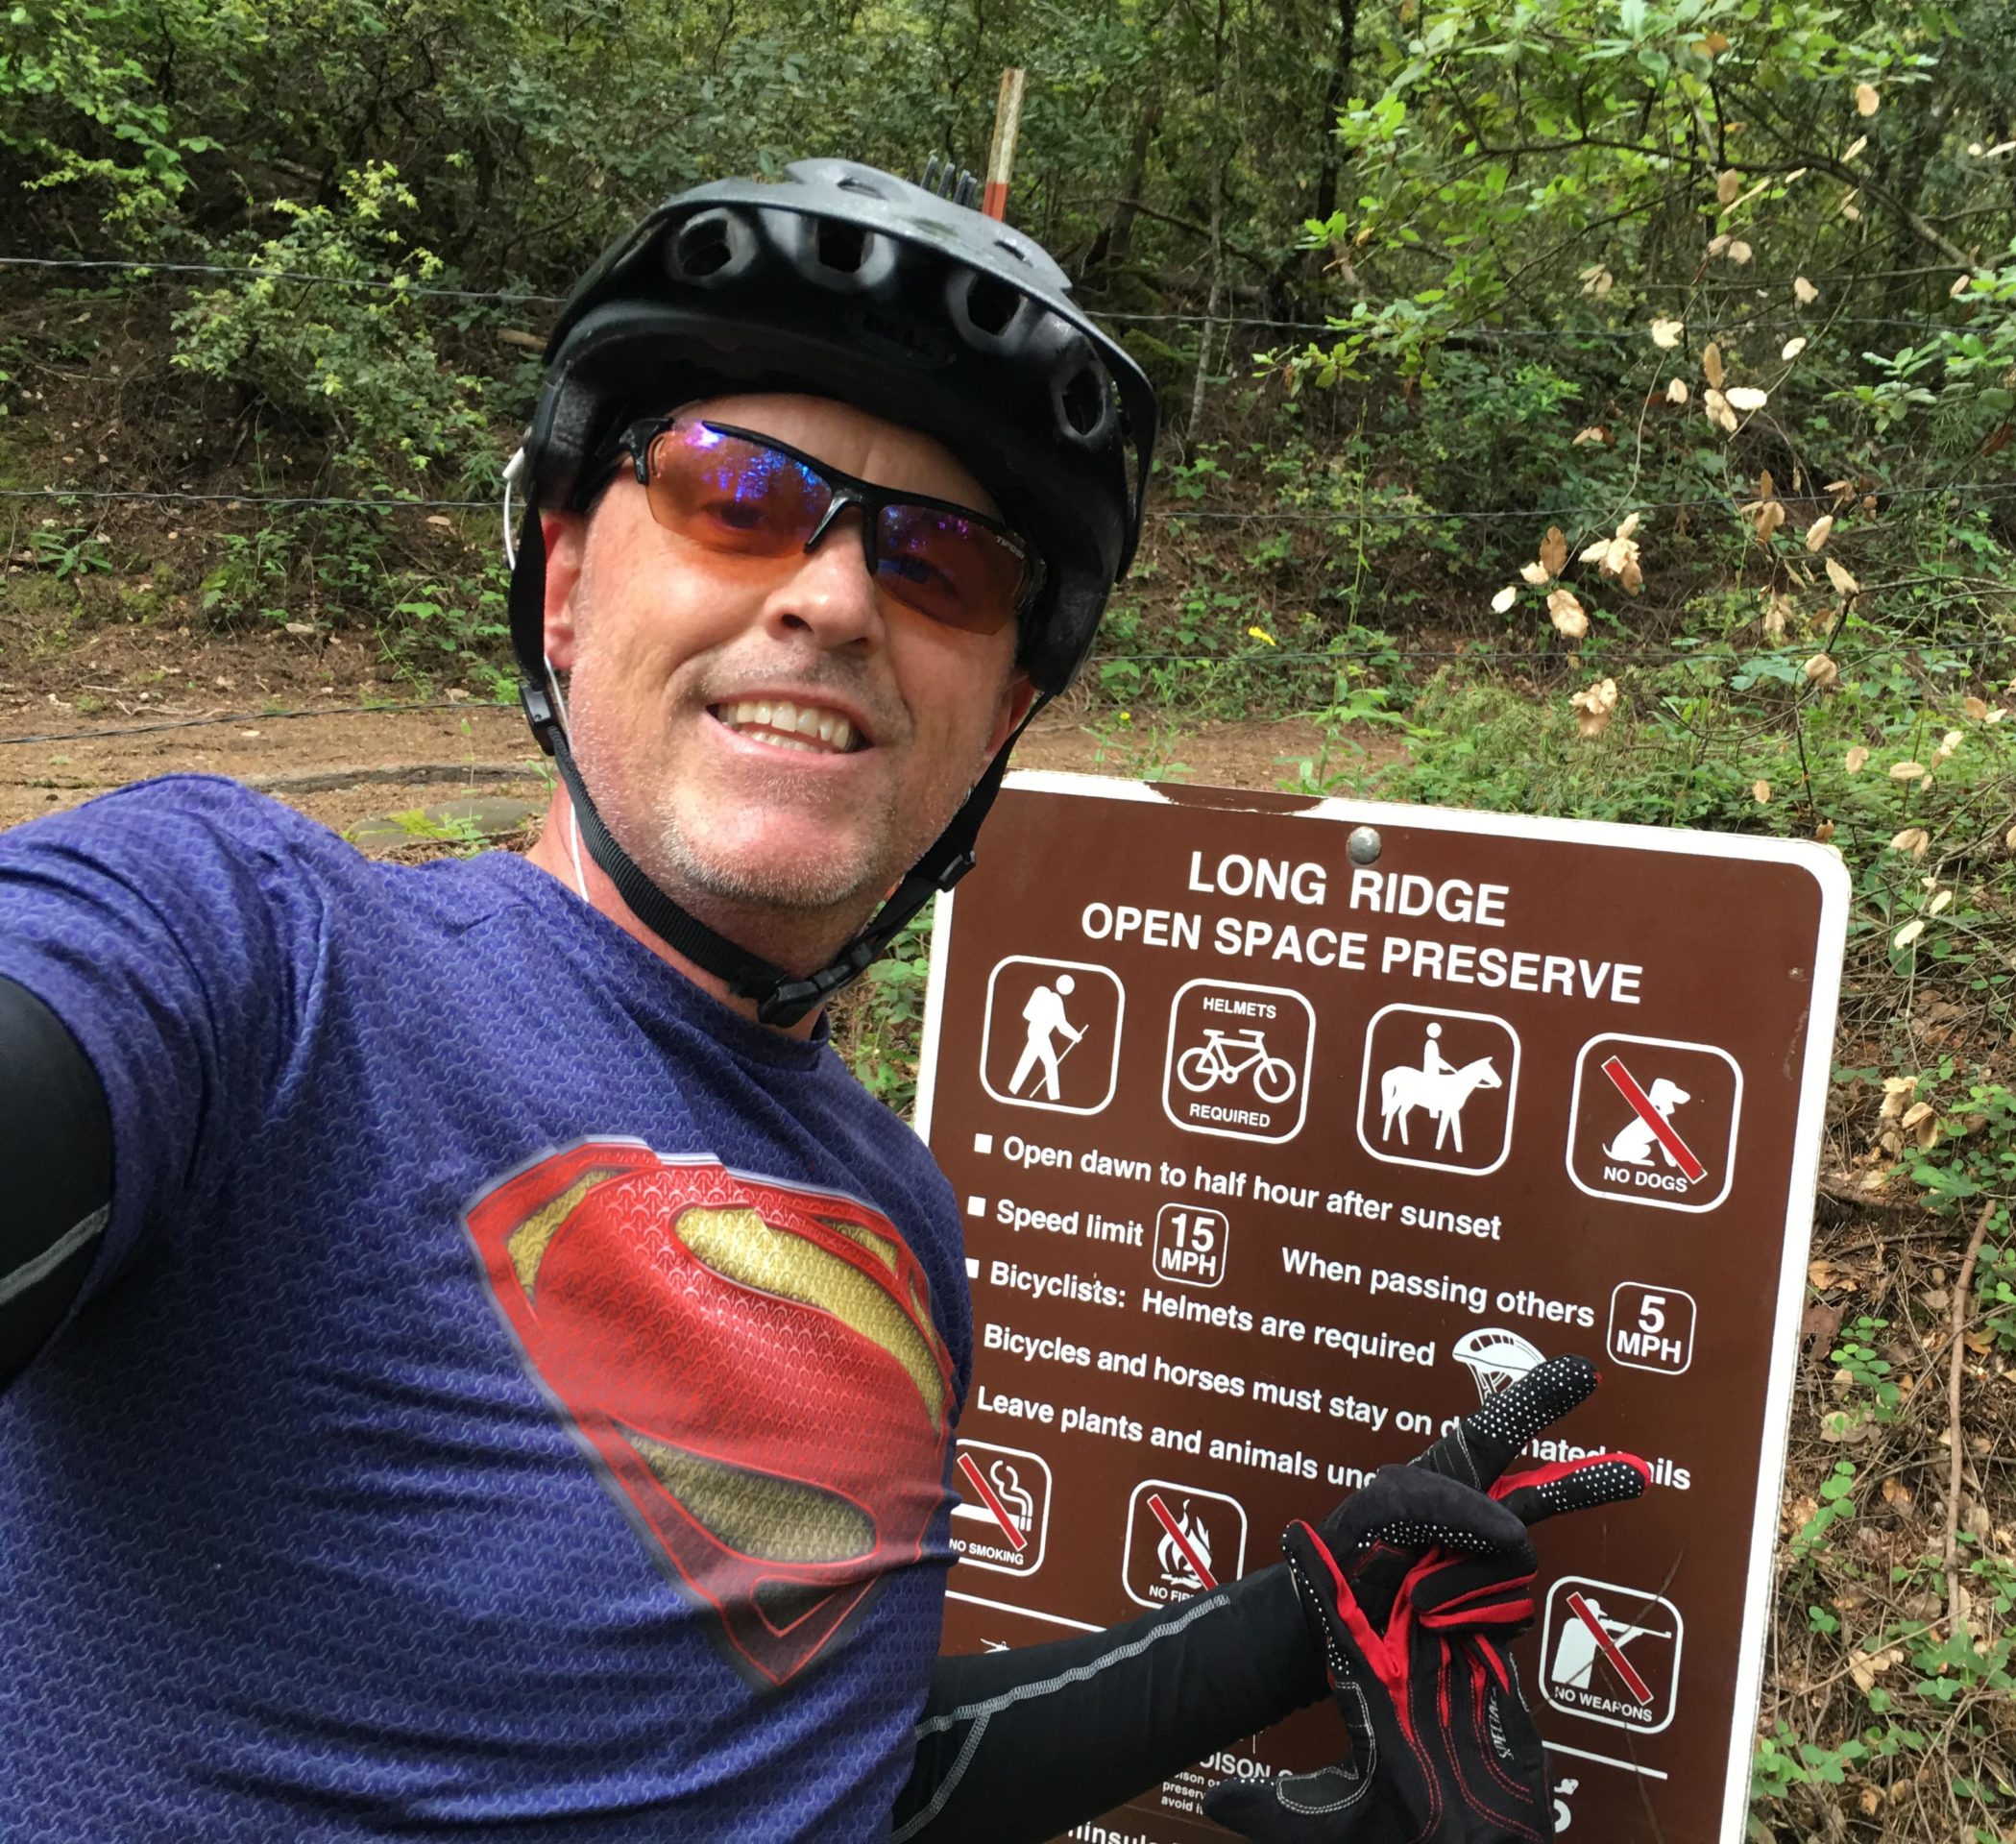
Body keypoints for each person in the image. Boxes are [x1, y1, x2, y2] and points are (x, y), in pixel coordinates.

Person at [0, 158, 1640, 1840]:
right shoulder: (253, 960)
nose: (836, 596)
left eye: (942, 562)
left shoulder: (895, 1220)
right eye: (736, 494)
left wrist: (1295, 1622)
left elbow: (811, 1773)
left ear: (1000, 712)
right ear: (564, 585)